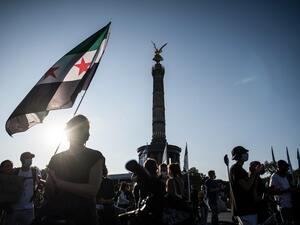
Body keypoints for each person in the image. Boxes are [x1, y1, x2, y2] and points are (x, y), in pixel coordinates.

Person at [36, 114, 105, 225]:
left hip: (83, 216)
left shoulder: (95, 156)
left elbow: (92, 191)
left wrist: (59, 183)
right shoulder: (56, 158)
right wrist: (46, 183)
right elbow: (50, 190)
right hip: (57, 215)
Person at [4, 152, 40, 225]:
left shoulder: (35, 171)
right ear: (21, 160)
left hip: (29, 208)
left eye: (31, 158)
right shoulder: (15, 171)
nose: (30, 160)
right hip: (14, 209)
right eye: (27, 158)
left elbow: (38, 183)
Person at [229, 146, 260, 225]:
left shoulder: (241, 169)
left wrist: (251, 172)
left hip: (247, 208)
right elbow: (247, 186)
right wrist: (255, 173)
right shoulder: (236, 169)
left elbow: (251, 183)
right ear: (238, 156)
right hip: (245, 208)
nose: (246, 154)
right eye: (244, 153)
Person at [269, 160, 294, 225]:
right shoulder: (274, 176)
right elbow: (272, 192)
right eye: (285, 167)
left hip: (290, 204)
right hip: (282, 206)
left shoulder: (286, 176)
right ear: (280, 167)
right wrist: (287, 190)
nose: (287, 168)